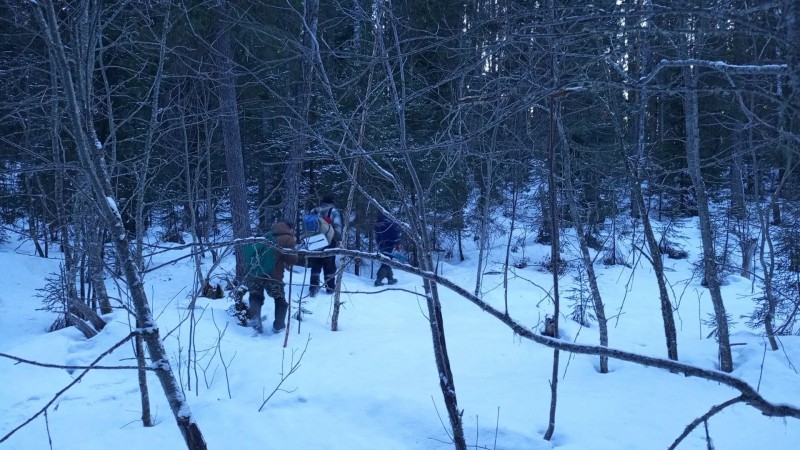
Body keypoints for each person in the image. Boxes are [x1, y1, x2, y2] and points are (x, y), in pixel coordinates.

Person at [248, 220, 298, 334]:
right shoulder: (288, 239)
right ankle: (279, 326)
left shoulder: (267, 236)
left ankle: (256, 318)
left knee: (255, 296)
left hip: (256, 273)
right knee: (280, 300)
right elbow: (291, 260)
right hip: (273, 275)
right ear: (289, 228)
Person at [308, 193, 343, 297]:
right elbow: (337, 227)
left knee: (316, 264)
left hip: (314, 240)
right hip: (329, 240)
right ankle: (330, 288)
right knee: (329, 265)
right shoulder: (334, 211)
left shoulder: (314, 211)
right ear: (332, 202)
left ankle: (313, 287)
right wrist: (338, 239)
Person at [374, 211, 401, 286]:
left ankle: (390, 279)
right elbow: (394, 233)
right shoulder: (389, 222)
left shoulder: (377, 222)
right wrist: (397, 242)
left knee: (387, 260)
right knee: (386, 261)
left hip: (381, 244)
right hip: (389, 244)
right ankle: (378, 280)